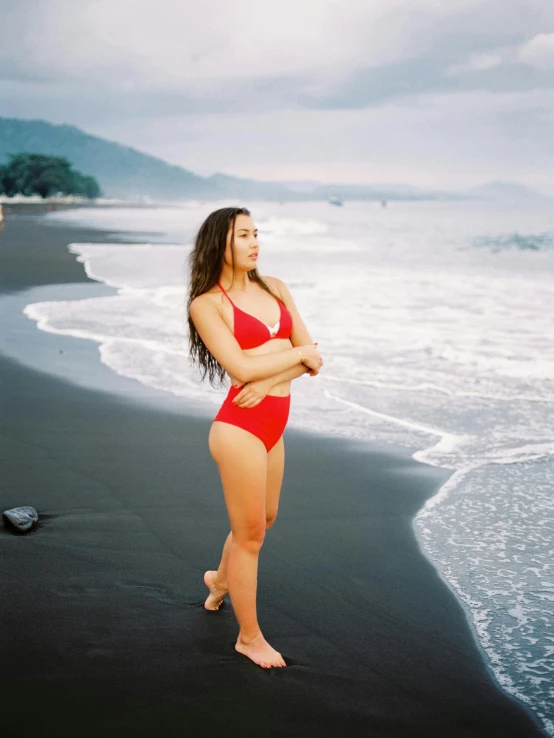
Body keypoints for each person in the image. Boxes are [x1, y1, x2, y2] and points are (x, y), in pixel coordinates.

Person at [187, 206, 323, 669]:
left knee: (264, 519)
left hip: (273, 421)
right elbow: (240, 368)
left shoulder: (275, 288)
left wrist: (269, 380)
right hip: (238, 429)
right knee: (250, 538)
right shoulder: (208, 304)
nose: (254, 242)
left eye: (255, 233)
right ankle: (248, 637)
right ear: (219, 244)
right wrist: (293, 354)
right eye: (243, 235)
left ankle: (218, 583)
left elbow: (314, 358)